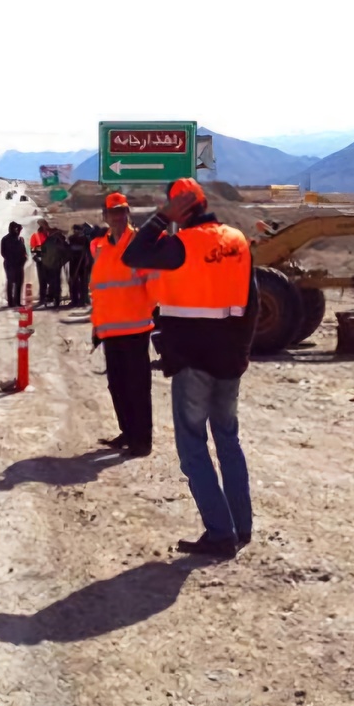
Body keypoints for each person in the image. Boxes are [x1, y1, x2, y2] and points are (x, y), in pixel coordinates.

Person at [122, 178, 259, 560]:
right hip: (230, 361)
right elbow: (254, 303)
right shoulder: (237, 240)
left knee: (193, 446)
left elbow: (134, 254)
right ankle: (240, 524)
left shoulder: (182, 245)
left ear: (180, 210)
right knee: (228, 440)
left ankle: (220, 533)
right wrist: (243, 353)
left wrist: (160, 218)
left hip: (193, 361)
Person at [90, 192, 157, 457]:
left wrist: (144, 312)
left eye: (122, 211)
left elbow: (153, 285)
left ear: (128, 213)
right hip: (109, 330)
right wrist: (97, 324)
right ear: (105, 216)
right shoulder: (100, 247)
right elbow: (99, 289)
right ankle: (127, 433)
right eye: (112, 212)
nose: (117, 217)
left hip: (136, 328)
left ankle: (142, 441)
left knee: (138, 387)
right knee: (117, 385)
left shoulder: (138, 243)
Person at [39, 226, 69, 308]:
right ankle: (55, 298)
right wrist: (63, 261)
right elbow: (65, 251)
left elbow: (41, 252)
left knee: (51, 282)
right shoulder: (58, 242)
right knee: (56, 282)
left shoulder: (47, 241)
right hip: (54, 265)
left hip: (48, 265)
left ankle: (52, 298)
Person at [0, 221, 27, 307]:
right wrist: (10, 259)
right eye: (16, 228)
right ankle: (11, 303)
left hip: (19, 264)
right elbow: (3, 252)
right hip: (10, 264)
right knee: (10, 282)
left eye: (18, 229)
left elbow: (24, 251)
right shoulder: (5, 239)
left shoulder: (21, 239)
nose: (17, 230)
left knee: (19, 282)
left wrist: (24, 259)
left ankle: (17, 301)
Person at [67, 224, 93, 308]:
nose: (75, 232)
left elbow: (89, 252)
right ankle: (75, 300)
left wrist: (88, 261)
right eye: (74, 231)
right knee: (73, 281)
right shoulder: (71, 239)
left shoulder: (85, 239)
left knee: (83, 282)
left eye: (77, 230)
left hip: (83, 264)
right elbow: (69, 250)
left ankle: (83, 300)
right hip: (74, 263)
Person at [30, 220, 51, 306]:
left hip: (50, 260)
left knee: (50, 280)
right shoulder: (35, 236)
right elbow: (32, 248)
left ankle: (49, 297)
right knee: (43, 280)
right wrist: (37, 254)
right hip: (41, 260)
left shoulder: (49, 236)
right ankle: (43, 298)